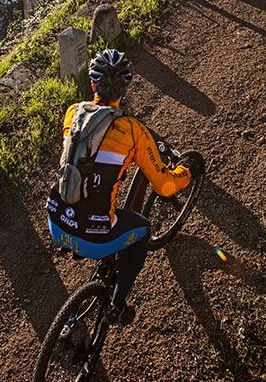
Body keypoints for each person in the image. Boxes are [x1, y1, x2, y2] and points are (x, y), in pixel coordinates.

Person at [46, 48, 204, 324]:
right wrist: (185, 173)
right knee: (142, 232)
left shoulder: (73, 114)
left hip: (56, 223)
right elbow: (165, 187)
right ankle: (116, 306)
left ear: (93, 84)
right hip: (94, 238)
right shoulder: (132, 130)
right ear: (126, 87)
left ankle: (85, 252)